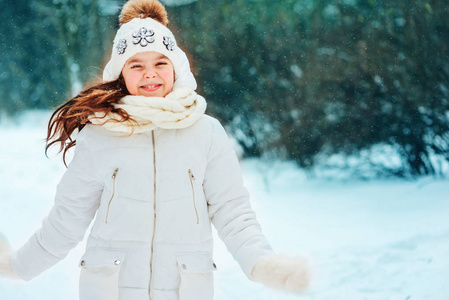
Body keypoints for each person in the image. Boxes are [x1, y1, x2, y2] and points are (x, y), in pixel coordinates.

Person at [0, 0, 309, 299]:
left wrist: (261, 263)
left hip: (184, 288)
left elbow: (232, 212)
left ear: (176, 68)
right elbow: (66, 220)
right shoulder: (100, 135)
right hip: (109, 289)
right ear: (121, 73)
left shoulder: (206, 132)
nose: (150, 73)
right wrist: (16, 266)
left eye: (161, 62)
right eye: (137, 65)